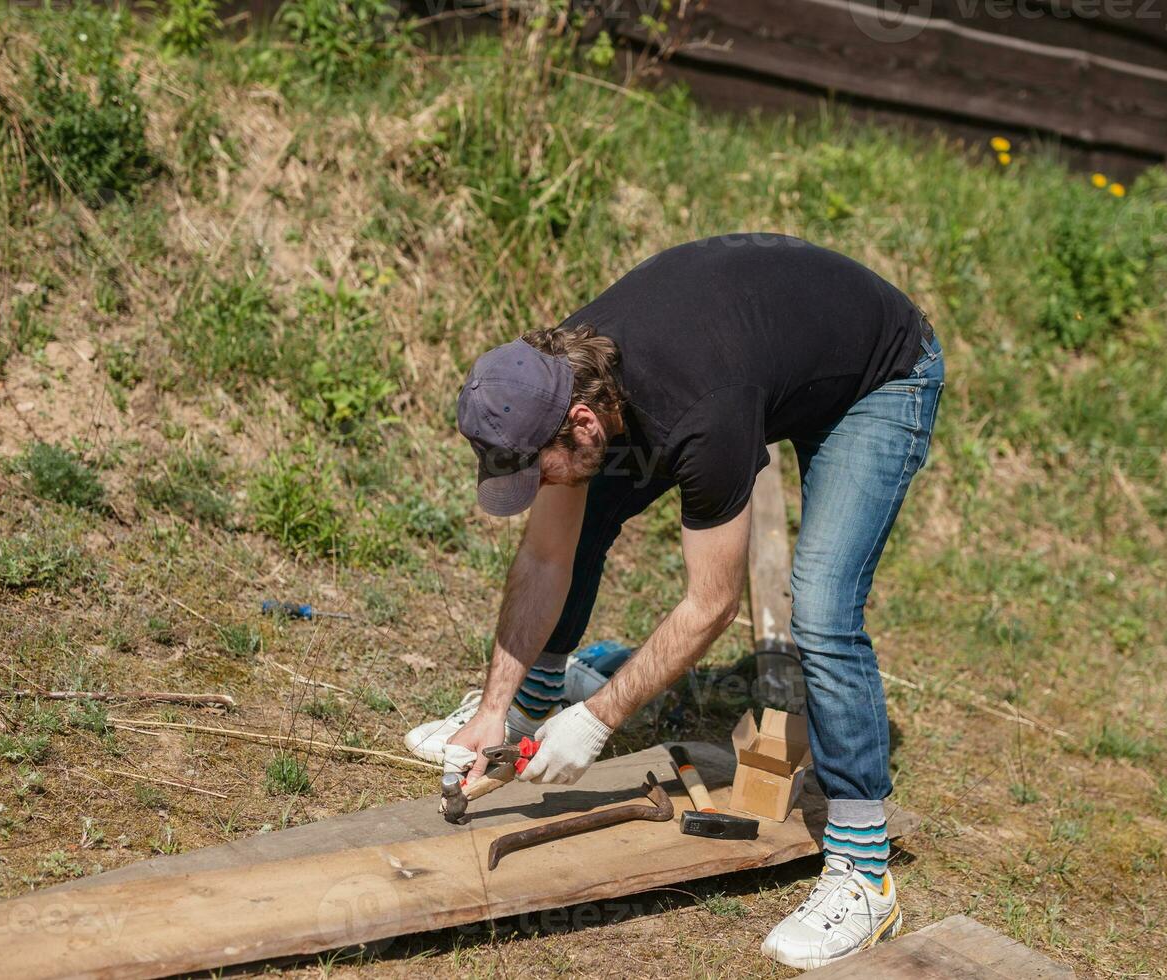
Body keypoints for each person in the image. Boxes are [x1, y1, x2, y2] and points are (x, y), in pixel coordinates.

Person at [404, 234, 944, 968]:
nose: (538, 486)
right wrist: (500, 710)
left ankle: (861, 871)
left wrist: (596, 721)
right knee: (580, 508)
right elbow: (544, 555)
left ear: (583, 423)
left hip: (879, 378)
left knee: (820, 607)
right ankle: (531, 705)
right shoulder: (558, 379)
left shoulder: (702, 411)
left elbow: (712, 604)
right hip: (764, 357)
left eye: (540, 469)